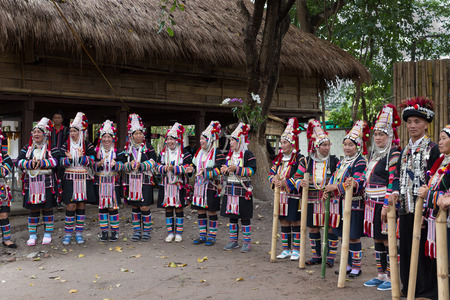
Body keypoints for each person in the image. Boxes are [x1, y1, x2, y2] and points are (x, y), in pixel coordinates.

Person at [382, 97, 440, 298]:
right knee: (405, 249)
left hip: (426, 211)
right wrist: (395, 192)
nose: (412, 126)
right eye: (409, 122)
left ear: (426, 124)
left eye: (417, 122)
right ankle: (410, 288)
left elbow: (436, 179)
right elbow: (397, 175)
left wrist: (427, 207)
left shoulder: (434, 149)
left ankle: (428, 291)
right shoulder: (403, 150)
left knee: (426, 251)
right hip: (405, 209)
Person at [362, 105, 401, 291]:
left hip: (386, 204)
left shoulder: (393, 153)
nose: (378, 137)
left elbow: (393, 180)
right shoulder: (373, 153)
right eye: (376, 134)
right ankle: (381, 274)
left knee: (388, 239)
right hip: (371, 203)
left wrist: (386, 204)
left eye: (382, 134)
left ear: (390, 136)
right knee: (377, 239)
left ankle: (393, 276)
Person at [323, 120, 368, 278]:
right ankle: (347, 264)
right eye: (345, 144)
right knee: (344, 236)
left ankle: (356, 267)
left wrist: (336, 188)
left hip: (354, 204)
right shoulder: (342, 162)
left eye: (351, 145)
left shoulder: (360, 161)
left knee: (353, 236)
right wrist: (328, 190)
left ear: (358, 147)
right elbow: (334, 179)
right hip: (339, 205)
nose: (347, 147)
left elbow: (357, 182)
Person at [296, 119, 339, 266]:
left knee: (331, 228)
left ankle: (330, 258)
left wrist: (332, 185)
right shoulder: (307, 161)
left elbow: (339, 177)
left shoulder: (334, 161)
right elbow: (296, 177)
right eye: (323, 145)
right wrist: (300, 183)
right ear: (316, 146)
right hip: (311, 200)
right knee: (313, 227)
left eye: (328, 145)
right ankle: (316, 256)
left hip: (329, 200)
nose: (327, 148)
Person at [17, 117, 58, 246]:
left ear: (44, 134)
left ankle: (48, 233)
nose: (36, 134)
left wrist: (41, 162)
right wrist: (29, 163)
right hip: (32, 183)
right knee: (33, 209)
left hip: (46, 183)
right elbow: (18, 162)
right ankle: (32, 235)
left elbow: (55, 162)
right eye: (34, 132)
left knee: (47, 208)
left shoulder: (51, 148)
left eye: (39, 132)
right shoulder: (27, 149)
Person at [269, 118, 305, 260]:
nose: (282, 145)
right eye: (281, 142)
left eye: (285, 142)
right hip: (281, 196)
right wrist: (274, 180)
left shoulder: (300, 159)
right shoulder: (278, 160)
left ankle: (296, 250)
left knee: (295, 221)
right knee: (283, 221)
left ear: (292, 144)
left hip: (294, 196)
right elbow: (271, 173)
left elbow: (299, 176)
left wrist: (285, 183)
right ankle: (286, 249)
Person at [117, 114, 157, 242]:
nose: (139, 136)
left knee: (144, 206)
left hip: (145, 180)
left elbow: (153, 161)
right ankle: (136, 231)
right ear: (132, 135)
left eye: (140, 133)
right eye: (136, 134)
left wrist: (141, 165)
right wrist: (129, 165)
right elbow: (121, 165)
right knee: (134, 207)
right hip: (131, 181)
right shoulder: (126, 150)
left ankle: (147, 231)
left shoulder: (148, 148)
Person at [60, 112, 96, 245]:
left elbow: (93, 160)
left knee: (81, 205)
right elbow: (59, 160)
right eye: (71, 131)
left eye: (75, 131)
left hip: (84, 178)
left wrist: (82, 158)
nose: (72, 133)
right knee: (71, 205)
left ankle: (79, 233)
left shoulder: (88, 145)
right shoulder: (65, 145)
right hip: (70, 178)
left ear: (80, 132)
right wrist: (67, 160)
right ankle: (68, 233)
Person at [220, 122, 256, 253]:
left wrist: (237, 169)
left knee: (245, 216)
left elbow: (252, 170)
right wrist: (224, 169)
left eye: (232, 140)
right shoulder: (229, 155)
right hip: (231, 188)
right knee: (232, 216)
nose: (230, 143)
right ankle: (233, 241)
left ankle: (246, 242)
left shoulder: (248, 154)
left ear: (239, 141)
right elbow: (224, 168)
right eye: (229, 140)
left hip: (243, 189)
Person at [188, 121, 225, 246]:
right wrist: (191, 169)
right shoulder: (199, 153)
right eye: (200, 139)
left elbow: (220, 169)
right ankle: (202, 235)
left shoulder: (217, 153)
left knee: (212, 211)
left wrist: (206, 172)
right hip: (199, 187)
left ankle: (212, 236)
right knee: (200, 211)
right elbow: (193, 165)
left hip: (211, 186)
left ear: (209, 140)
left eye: (203, 139)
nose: (201, 141)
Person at [157, 122, 192, 243]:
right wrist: (164, 168)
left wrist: (175, 168)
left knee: (178, 208)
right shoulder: (163, 153)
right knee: (168, 208)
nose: (170, 141)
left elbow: (188, 167)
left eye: (172, 139)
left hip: (179, 185)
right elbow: (157, 166)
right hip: (166, 184)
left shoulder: (184, 153)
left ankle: (179, 233)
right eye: (168, 139)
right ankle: (170, 233)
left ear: (177, 140)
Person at [94, 120, 123, 242]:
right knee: (102, 207)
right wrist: (98, 164)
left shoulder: (118, 152)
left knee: (112, 207)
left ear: (112, 139)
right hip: (100, 182)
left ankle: (115, 232)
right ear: (101, 139)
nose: (106, 139)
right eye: (104, 137)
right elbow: (91, 166)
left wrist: (116, 165)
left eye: (109, 137)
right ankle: (104, 231)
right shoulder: (96, 152)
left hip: (113, 182)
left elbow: (123, 165)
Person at [0, 124, 16, 248]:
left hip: (1, 187)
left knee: (4, 214)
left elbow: (7, 169)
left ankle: (6, 238)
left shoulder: (4, 156)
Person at [51, 110, 69, 206]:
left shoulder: (66, 130)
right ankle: (55, 198)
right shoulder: (49, 130)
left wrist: (62, 153)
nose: (57, 119)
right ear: (53, 119)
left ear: (62, 119)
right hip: (51, 158)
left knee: (62, 178)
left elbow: (67, 143)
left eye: (59, 118)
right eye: (55, 118)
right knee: (53, 177)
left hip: (62, 157)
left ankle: (62, 198)